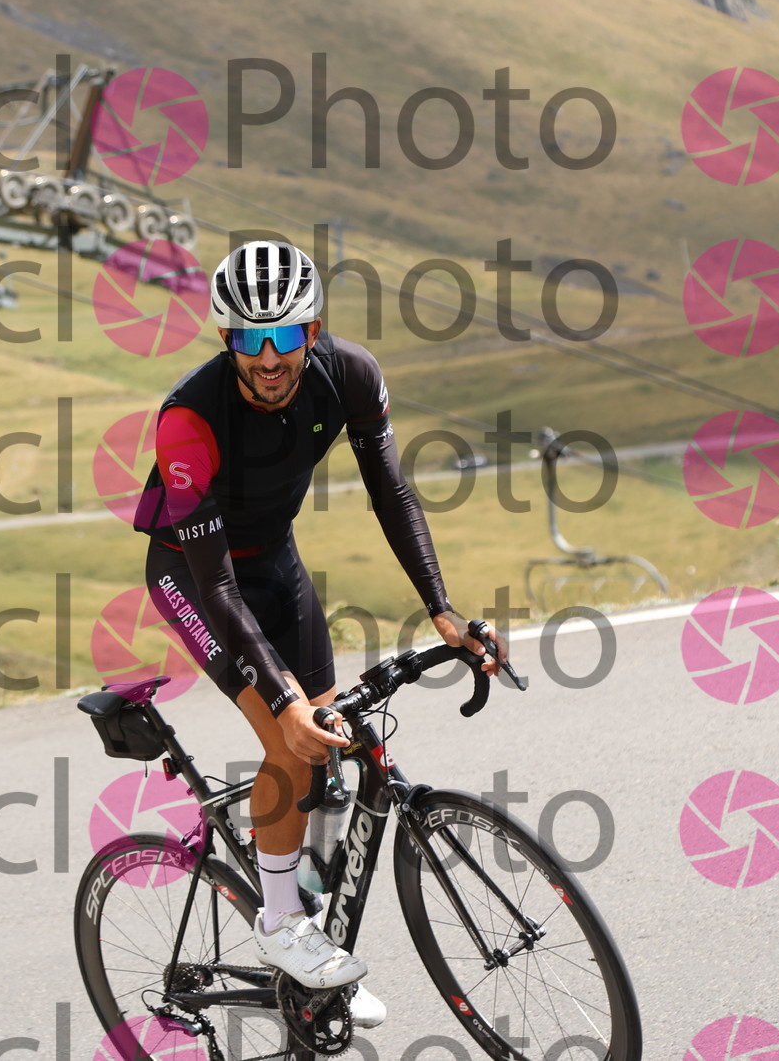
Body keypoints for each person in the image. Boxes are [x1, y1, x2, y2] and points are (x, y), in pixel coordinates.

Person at [133, 240, 507, 1022]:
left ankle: (309, 935)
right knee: (292, 737)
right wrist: (283, 700)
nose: (269, 357)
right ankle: (280, 923)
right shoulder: (189, 420)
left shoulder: (351, 374)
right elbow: (217, 586)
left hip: (273, 557)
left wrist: (442, 608)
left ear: (312, 328)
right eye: (249, 338)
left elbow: (391, 492)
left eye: (285, 335)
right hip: (195, 577)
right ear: (227, 338)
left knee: (331, 746)